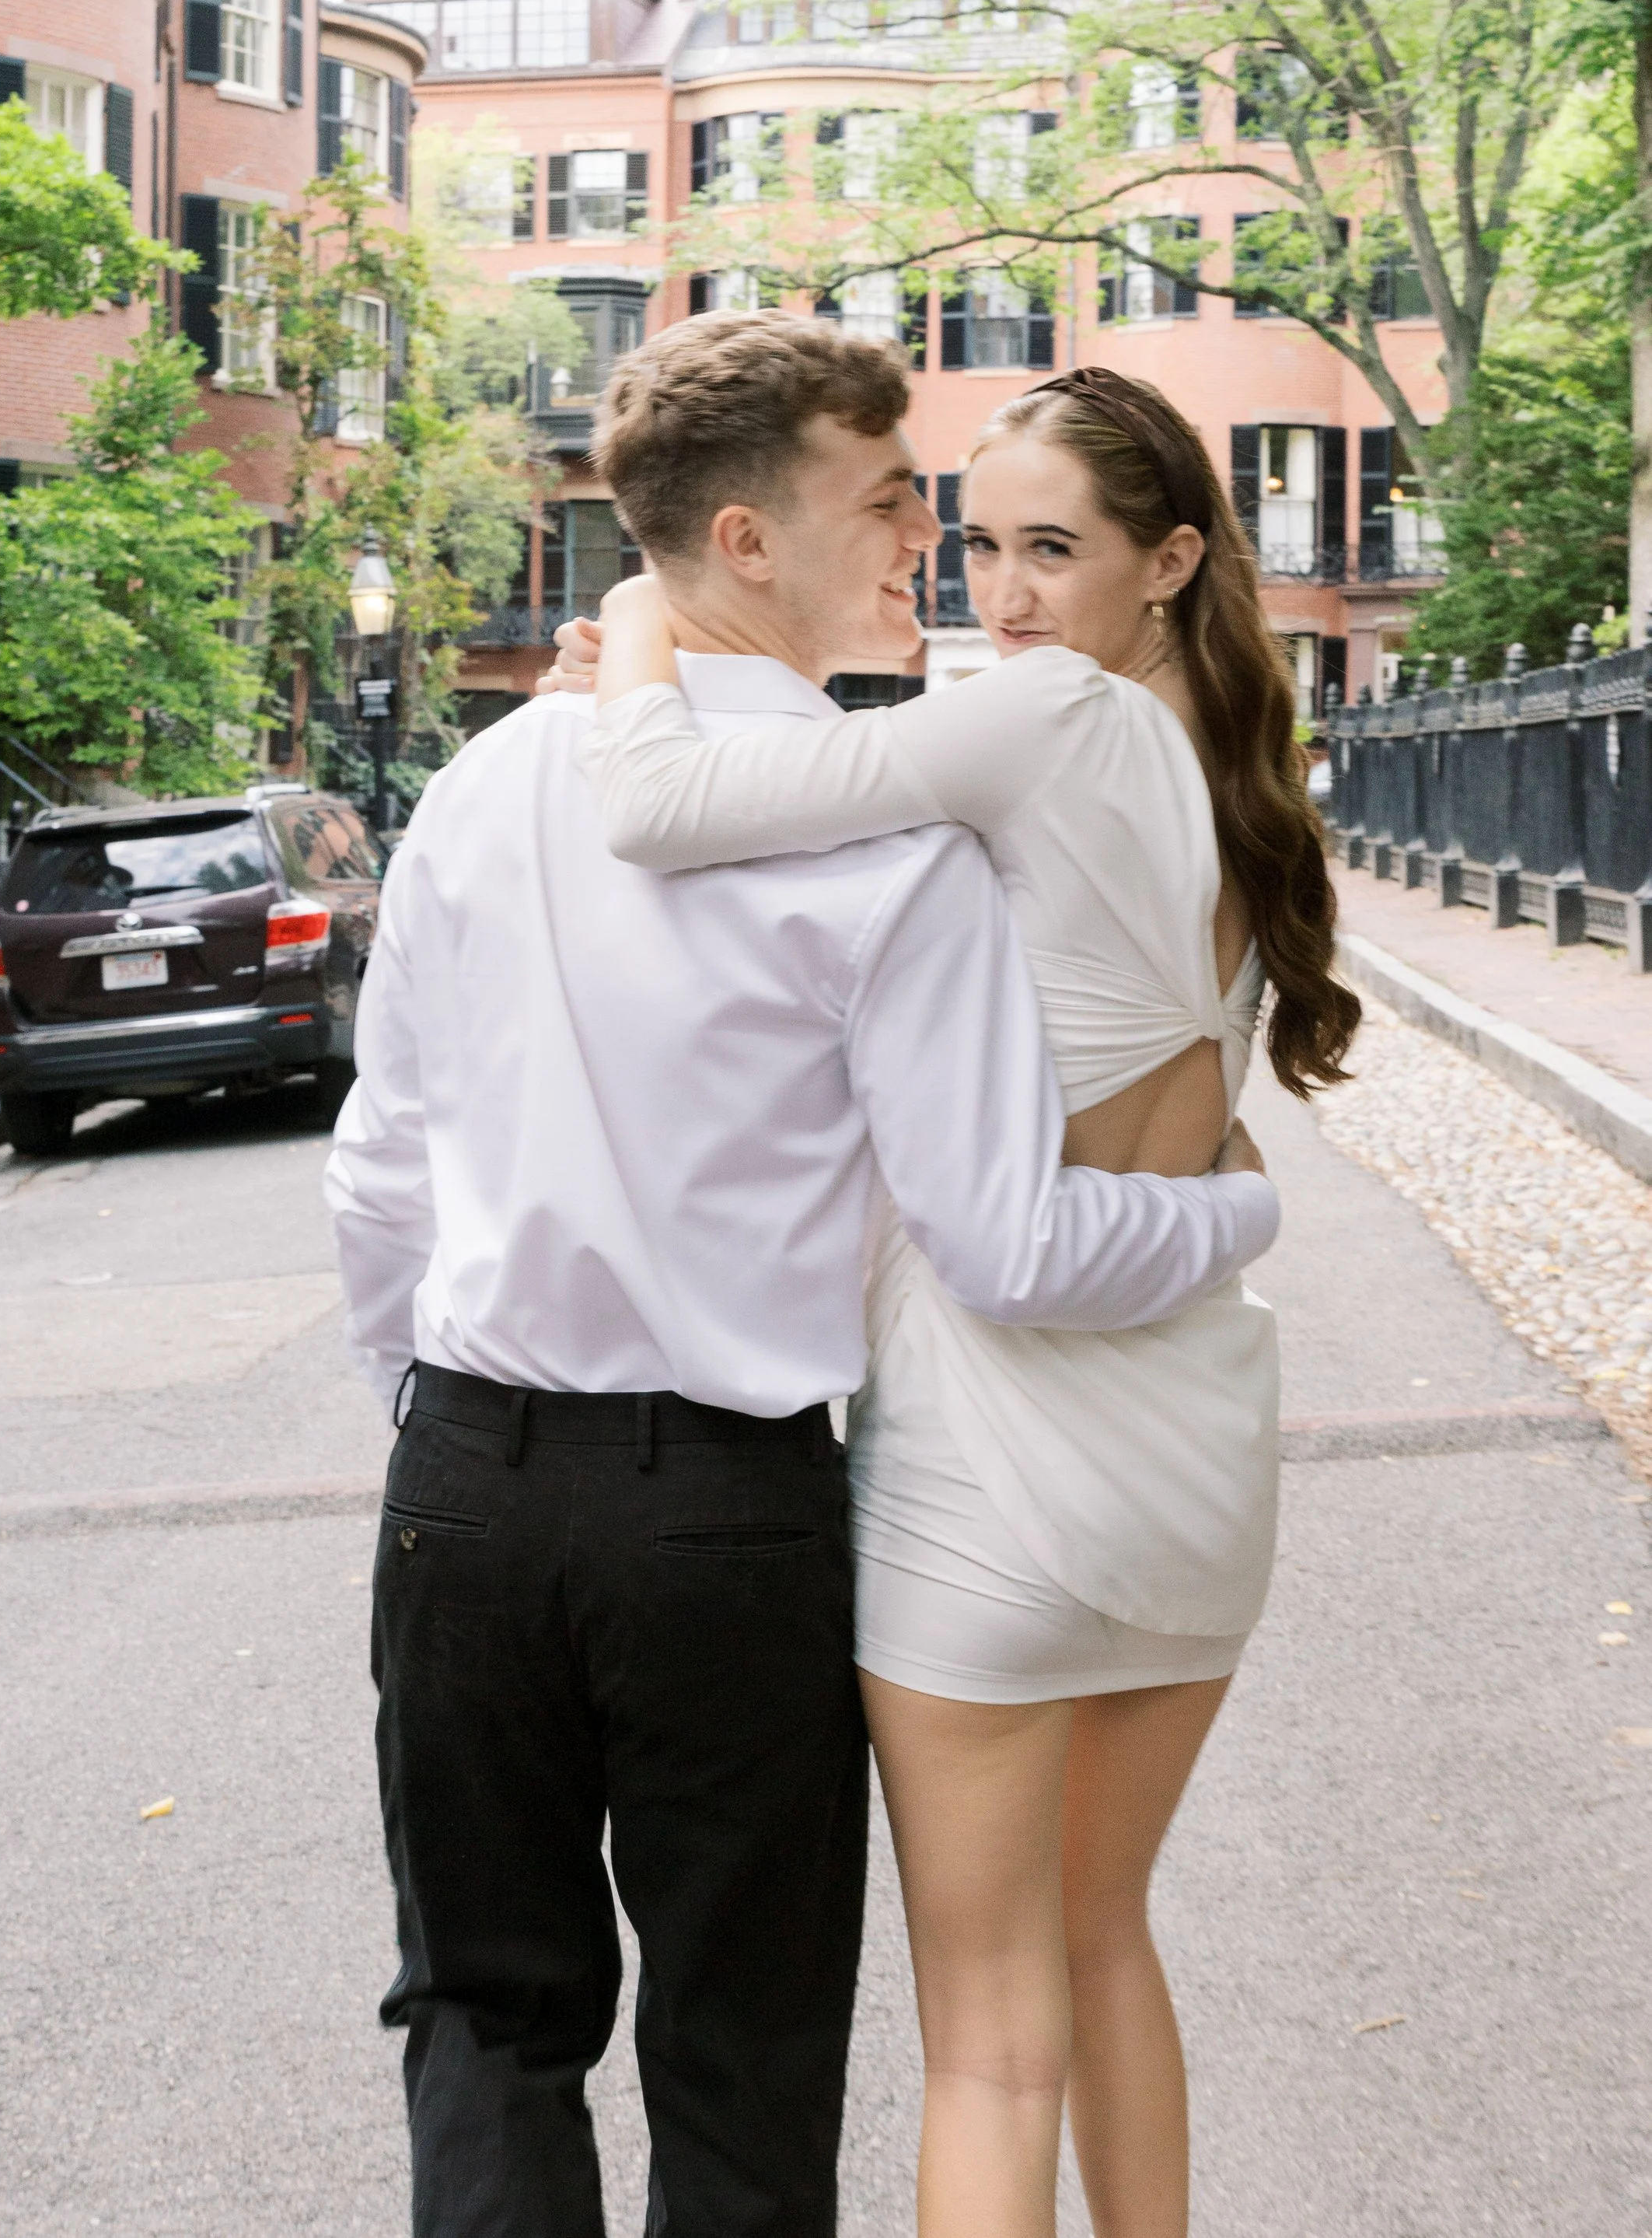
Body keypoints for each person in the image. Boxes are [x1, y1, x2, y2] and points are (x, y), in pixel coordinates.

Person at [326, 317, 1281, 2238]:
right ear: (750, 539)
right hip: (725, 1516)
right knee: (743, 2058)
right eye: (888, 499)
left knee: (482, 2021)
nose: (924, 543)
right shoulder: (896, 842)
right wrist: (1235, 1216)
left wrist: (448, 1429)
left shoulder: (487, 787)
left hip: (466, 1488)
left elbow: (381, 1169)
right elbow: (1002, 1234)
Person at [553, 362, 1358, 2238]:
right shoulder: (1244, 771)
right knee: (1106, 1944)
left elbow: (662, 808)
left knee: (990, 2037)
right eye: (976, 541)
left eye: (1050, 550)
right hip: (1193, 1456)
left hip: (992, 1455)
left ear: (1166, 559)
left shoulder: (1041, 723)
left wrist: (637, 617)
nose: (998, 594)